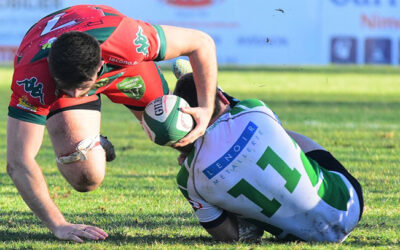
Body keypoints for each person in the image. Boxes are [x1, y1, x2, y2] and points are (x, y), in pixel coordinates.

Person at [7, 5, 217, 243]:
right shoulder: (33, 78)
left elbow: (201, 42)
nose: (74, 93)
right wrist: (59, 225)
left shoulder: (127, 39)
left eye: (81, 86)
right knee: (85, 177)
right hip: (64, 67)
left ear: (98, 67)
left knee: (183, 136)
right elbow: (18, 162)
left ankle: (193, 87)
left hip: (126, 68)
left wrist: (206, 107)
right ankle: (94, 142)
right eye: (66, 87)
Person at [172, 73, 364, 243]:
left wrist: (192, 151)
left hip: (303, 238)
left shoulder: (188, 179)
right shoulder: (255, 108)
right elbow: (231, 105)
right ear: (222, 96)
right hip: (350, 202)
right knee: (280, 134)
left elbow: (226, 235)